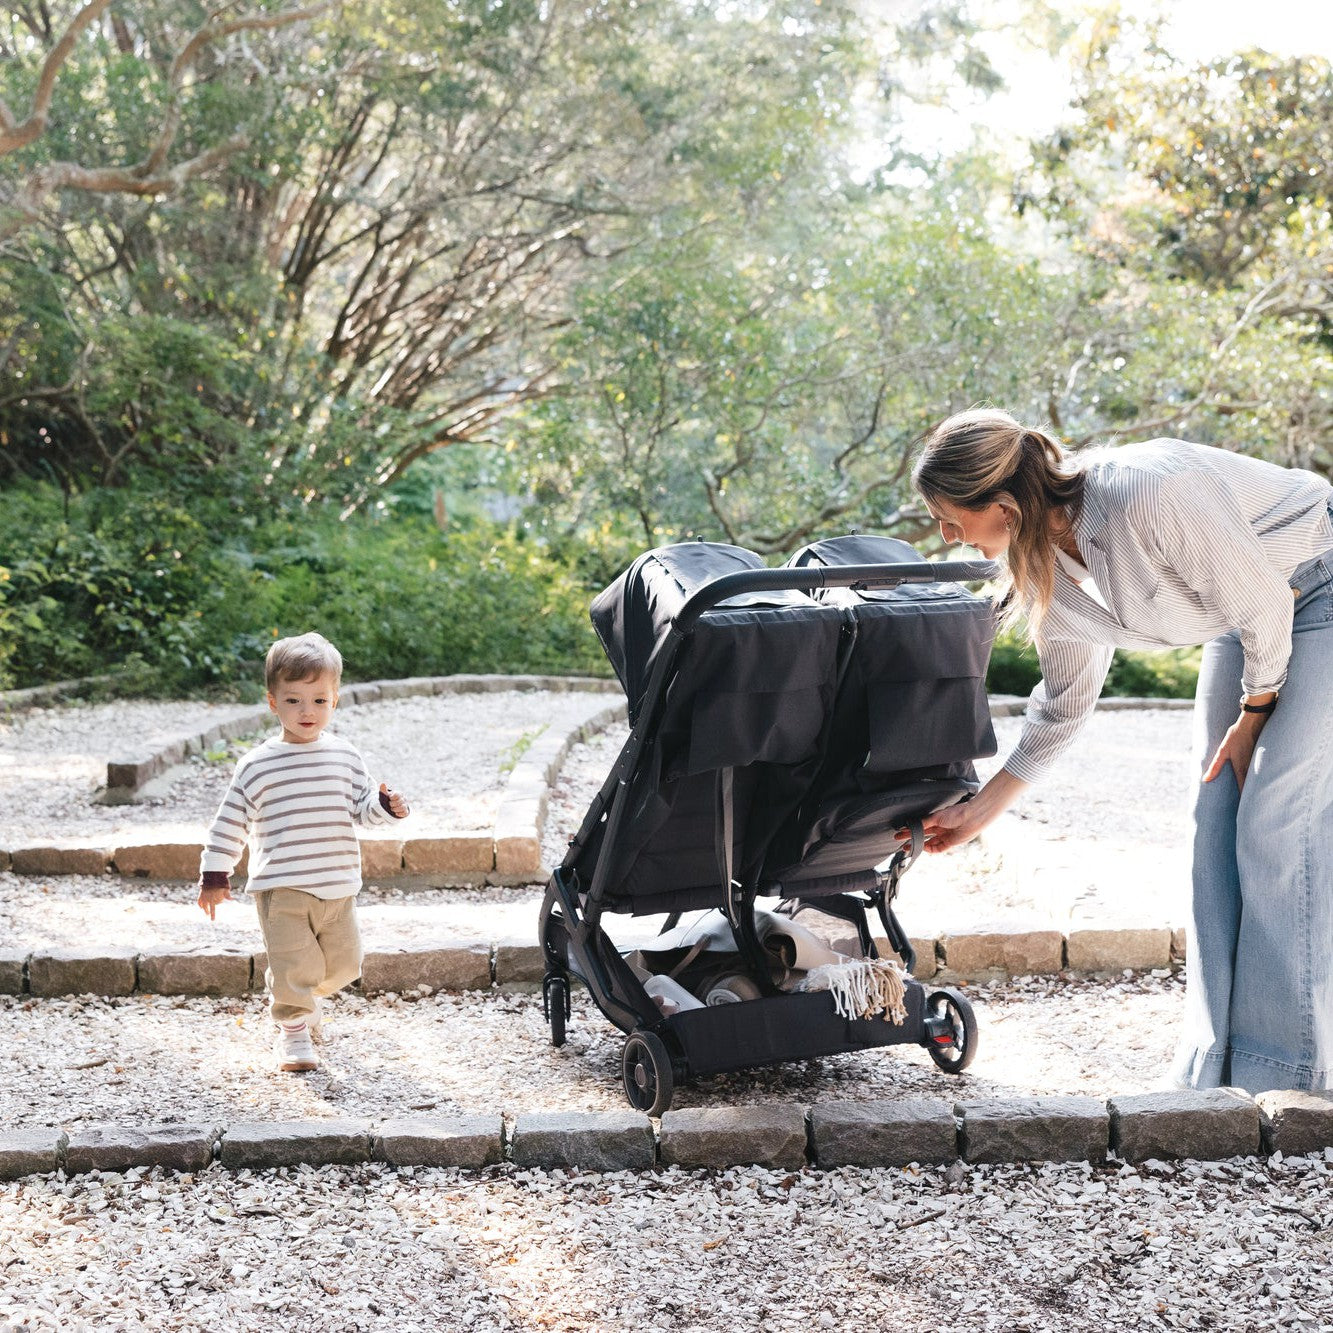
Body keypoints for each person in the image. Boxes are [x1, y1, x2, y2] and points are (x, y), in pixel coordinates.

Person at [911, 407, 1333, 1095]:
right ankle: (1211, 1067)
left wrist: (1253, 714)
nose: (946, 536)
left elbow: (1262, 603)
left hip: (1316, 582)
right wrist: (979, 811)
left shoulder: (1147, 492)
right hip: (1248, 613)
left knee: (1277, 819)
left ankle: (1287, 1079)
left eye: (949, 519)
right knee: (1214, 817)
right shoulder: (1040, 566)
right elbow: (1064, 705)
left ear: (1003, 506)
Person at [196, 632, 410, 1073]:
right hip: (282, 887)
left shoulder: (345, 756)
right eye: (293, 701)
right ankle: (293, 1031)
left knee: (346, 965)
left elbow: (363, 809)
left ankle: (298, 993)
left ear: (335, 701)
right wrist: (215, 874)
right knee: (294, 964)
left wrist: (386, 807)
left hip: (338, 885)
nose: (307, 711)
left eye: (319, 700)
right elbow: (230, 822)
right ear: (273, 702)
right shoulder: (257, 765)